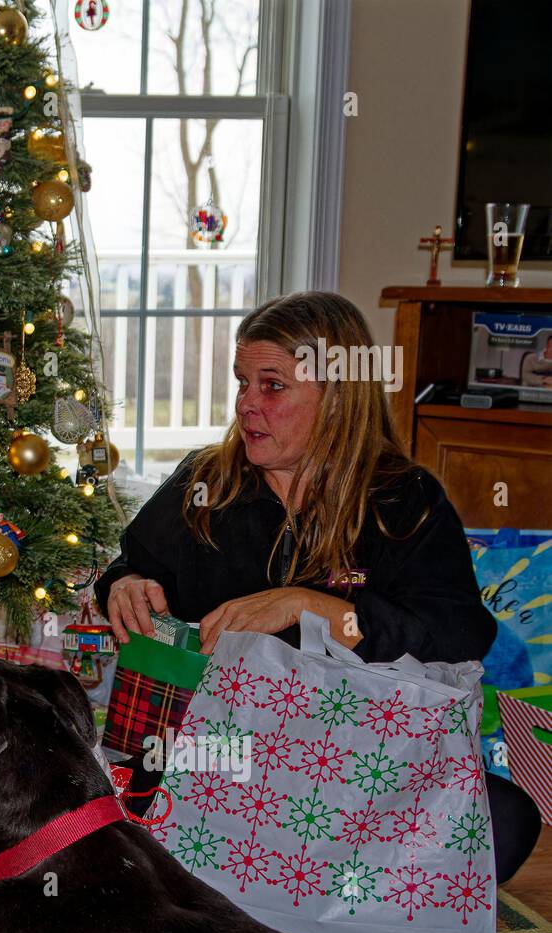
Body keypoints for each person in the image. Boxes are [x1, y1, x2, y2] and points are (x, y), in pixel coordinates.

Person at [95, 290, 542, 882]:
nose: (246, 405)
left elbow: (455, 635)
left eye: (272, 386)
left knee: (505, 821)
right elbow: (127, 567)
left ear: (336, 398)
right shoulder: (206, 484)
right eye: (241, 382)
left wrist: (314, 607)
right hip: (216, 760)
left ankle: (277, 892)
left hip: (356, 767)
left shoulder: (402, 500)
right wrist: (124, 584)